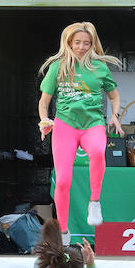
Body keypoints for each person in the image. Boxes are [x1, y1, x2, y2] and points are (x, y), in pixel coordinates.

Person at [38, 22, 124, 234]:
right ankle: (64, 232)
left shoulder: (99, 68)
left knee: (97, 151)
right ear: (69, 42)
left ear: (92, 44)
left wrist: (114, 115)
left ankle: (94, 202)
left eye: (86, 43)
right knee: (63, 181)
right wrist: (44, 119)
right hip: (65, 125)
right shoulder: (58, 66)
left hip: (92, 123)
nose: (82, 47)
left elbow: (114, 96)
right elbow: (44, 102)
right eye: (77, 42)